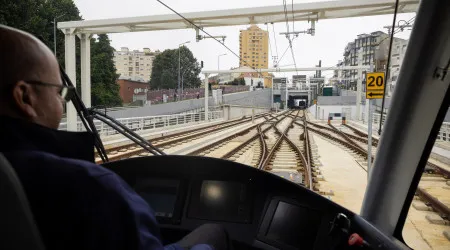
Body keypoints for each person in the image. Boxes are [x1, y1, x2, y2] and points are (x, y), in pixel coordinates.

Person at [0, 25, 230, 250]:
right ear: (24, 97)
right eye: (59, 92)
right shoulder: (90, 187)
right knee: (213, 233)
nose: (63, 102)